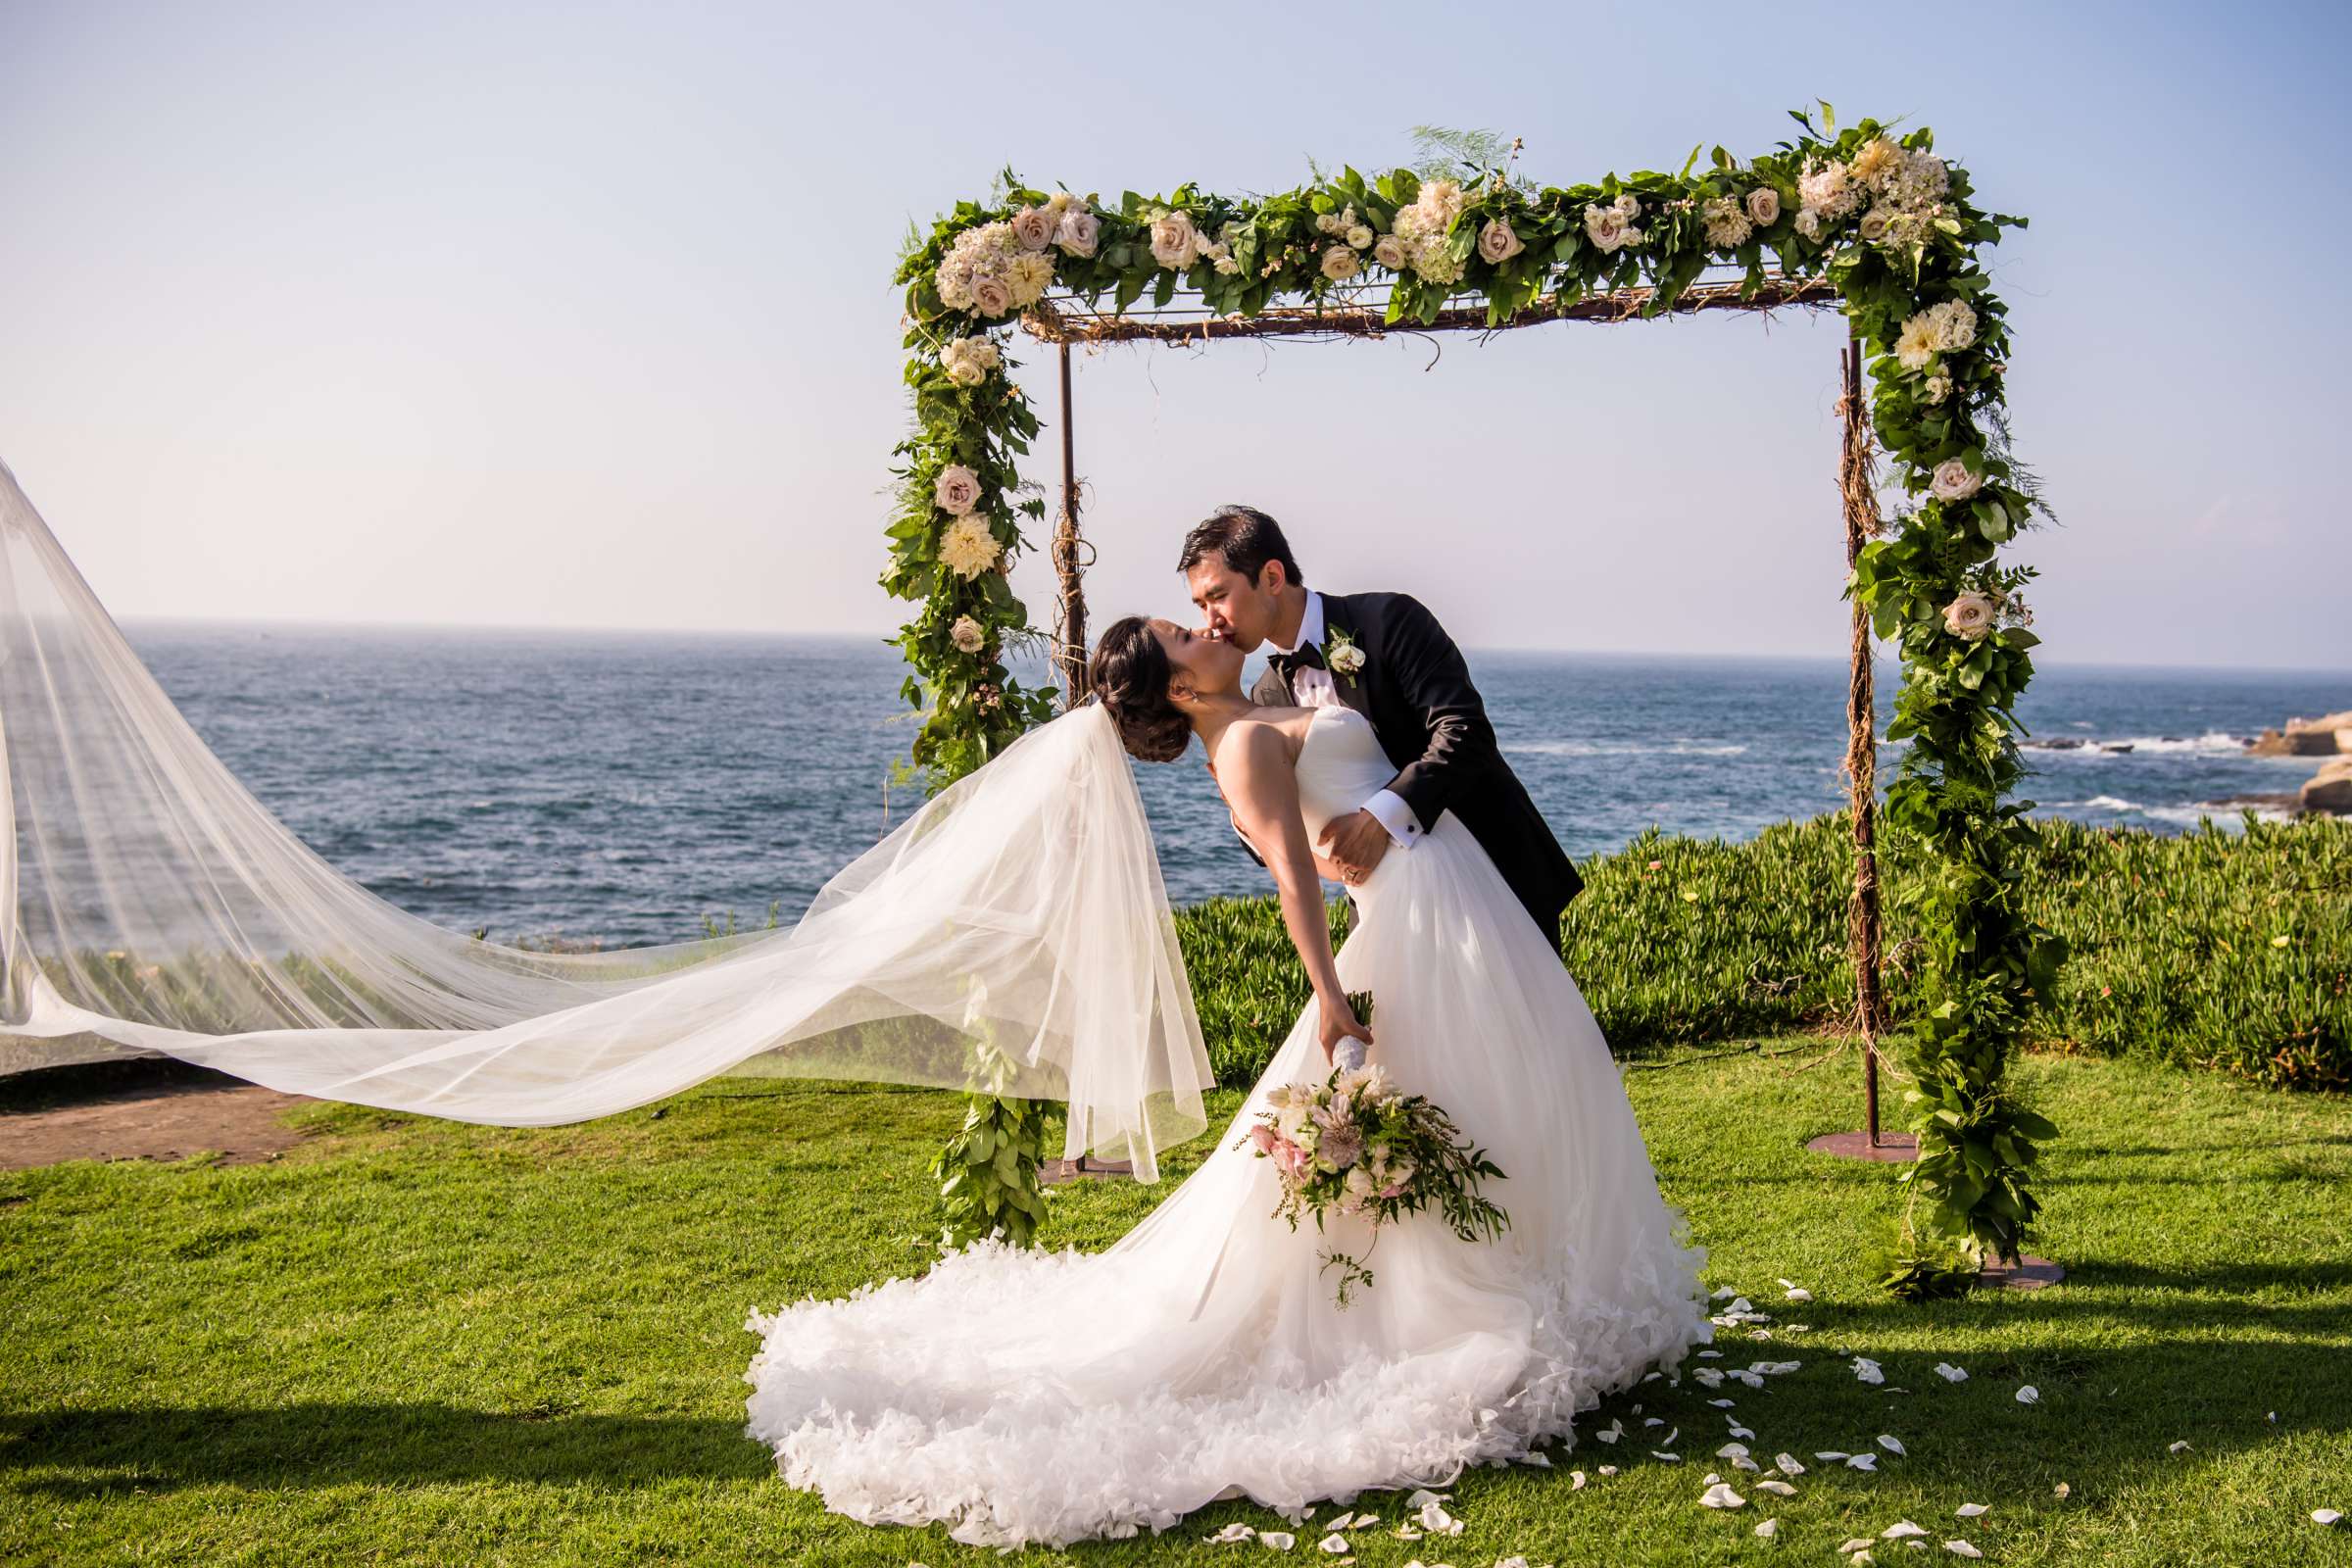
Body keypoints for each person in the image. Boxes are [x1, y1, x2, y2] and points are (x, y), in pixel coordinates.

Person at [739, 609, 1711, 1548]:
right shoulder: (1242, 747)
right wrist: (1329, 998)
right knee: (1444, 1116)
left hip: (1447, 906)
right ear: (1176, 683)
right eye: (1181, 633)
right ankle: (1450, 1307)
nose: (1202, 628)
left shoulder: (1256, 712)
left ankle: (1545, 1271)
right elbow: (1297, 878)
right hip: (1407, 929)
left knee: (1511, 1093)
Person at [1178, 504, 1581, 944]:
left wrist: (1381, 819)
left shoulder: (1389, 621)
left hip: (1495, 873)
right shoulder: (1265, 699)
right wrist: (1242, 810)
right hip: (1387, 914)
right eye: (1201, 605)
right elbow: (1280, 840)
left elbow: (1465, 731)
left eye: (1218, 596)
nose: (1210, 623)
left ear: (1272, 578)